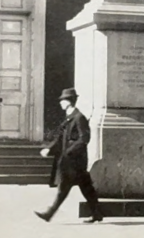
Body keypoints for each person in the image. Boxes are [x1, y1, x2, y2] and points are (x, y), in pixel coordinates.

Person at [35, 88, 104, 223]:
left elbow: (84, 139)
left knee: (64, 188)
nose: (60, 102)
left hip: (75, 161)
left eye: (63, 100)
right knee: (86, 187)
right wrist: (49, 149)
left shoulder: (79, 118)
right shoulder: (68, 118)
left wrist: (68, 152)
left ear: (69, 102)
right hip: (71, 161)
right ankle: (97, 214)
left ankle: (49, 213)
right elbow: (60, 138)